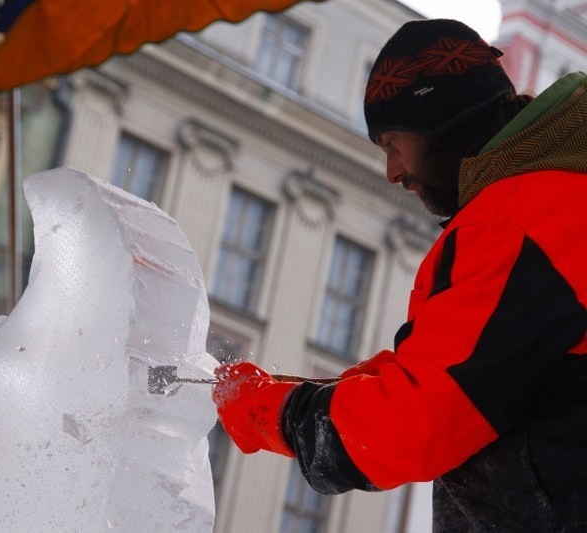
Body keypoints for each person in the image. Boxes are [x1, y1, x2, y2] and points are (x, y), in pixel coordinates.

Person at [212, 19, 587, 532]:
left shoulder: (519, 220)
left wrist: (272, 414)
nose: (393, 172)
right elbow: (456, 368)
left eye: (392, 142)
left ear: (442, 120)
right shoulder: (554, 200)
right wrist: (331, 390)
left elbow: (416, 421)